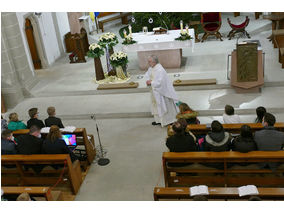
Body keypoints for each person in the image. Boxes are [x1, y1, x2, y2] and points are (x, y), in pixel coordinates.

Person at [145, 55, 179, 127]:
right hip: (154, 91)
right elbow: (147, 75)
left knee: (165, 105)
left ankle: (169, 120)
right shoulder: (151, 68)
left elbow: (160, 82)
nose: (148, 63)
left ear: (154, 62)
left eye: (149, 61)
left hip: (162, 92)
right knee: (156, 105)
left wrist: (151, 82)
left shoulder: (160, 70)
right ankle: (158, 120)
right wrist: (147, 80)